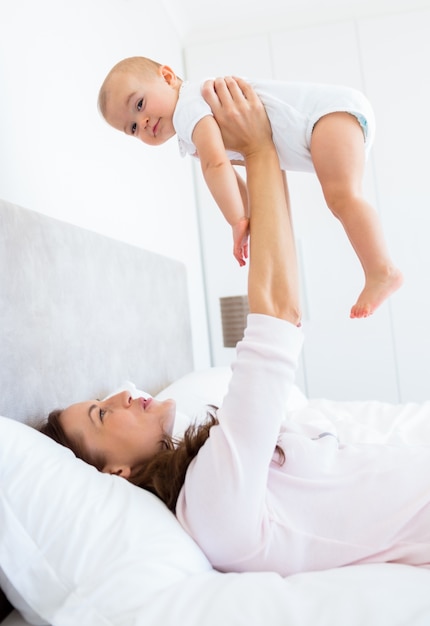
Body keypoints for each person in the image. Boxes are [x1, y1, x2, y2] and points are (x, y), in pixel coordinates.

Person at [40, 78, 430, 577]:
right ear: (116, 473)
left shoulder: (212, 473)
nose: (120, 395)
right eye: (100, 413)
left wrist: (263, 155)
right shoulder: (211, 507)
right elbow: (277, 318)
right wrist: (260, 147)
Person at [97, 56, 403, 319]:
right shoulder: (190, 132)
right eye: (133, 127)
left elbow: (215, 166)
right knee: (340, 196)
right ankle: (377, 270)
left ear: (167, 76)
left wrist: (236, 221)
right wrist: (247, 218)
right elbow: (235, 174)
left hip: (326, 116)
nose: (144, 120)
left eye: (139, 104)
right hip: (329, 120)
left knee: (342, 196)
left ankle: (381, 270)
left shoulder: (189, 106)